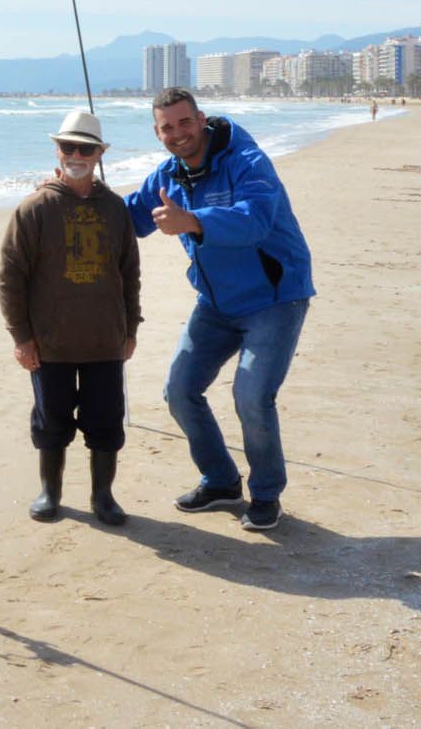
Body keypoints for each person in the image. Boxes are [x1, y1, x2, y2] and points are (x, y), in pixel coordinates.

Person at [127, 89, 313, 534]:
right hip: (216, 303)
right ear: (157, 134)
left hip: (274, 298)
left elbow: (256, 219)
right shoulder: (167, 175)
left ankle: (266, 494)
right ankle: (222, 481)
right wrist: (73, 198)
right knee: (179, 390)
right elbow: (131, 217)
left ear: (202, 119)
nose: (178, 133)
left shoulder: (245, 159)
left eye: (184, 122)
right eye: (167, 127)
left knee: (251, 396)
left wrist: (194, 221)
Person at [0, 108, 141, 526]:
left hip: (105, 342)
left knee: (106, 424)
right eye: (68, 146)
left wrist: (130, 329)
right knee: (51, 422)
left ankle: (103, 497)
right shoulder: (34, 208)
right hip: (49, 344)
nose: (76, 153)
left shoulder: (115, 209)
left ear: (100, 154)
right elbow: (10, 277)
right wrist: (21, 338)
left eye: (86, 147)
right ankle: (50, 491)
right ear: (56, 151)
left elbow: (129, 272)